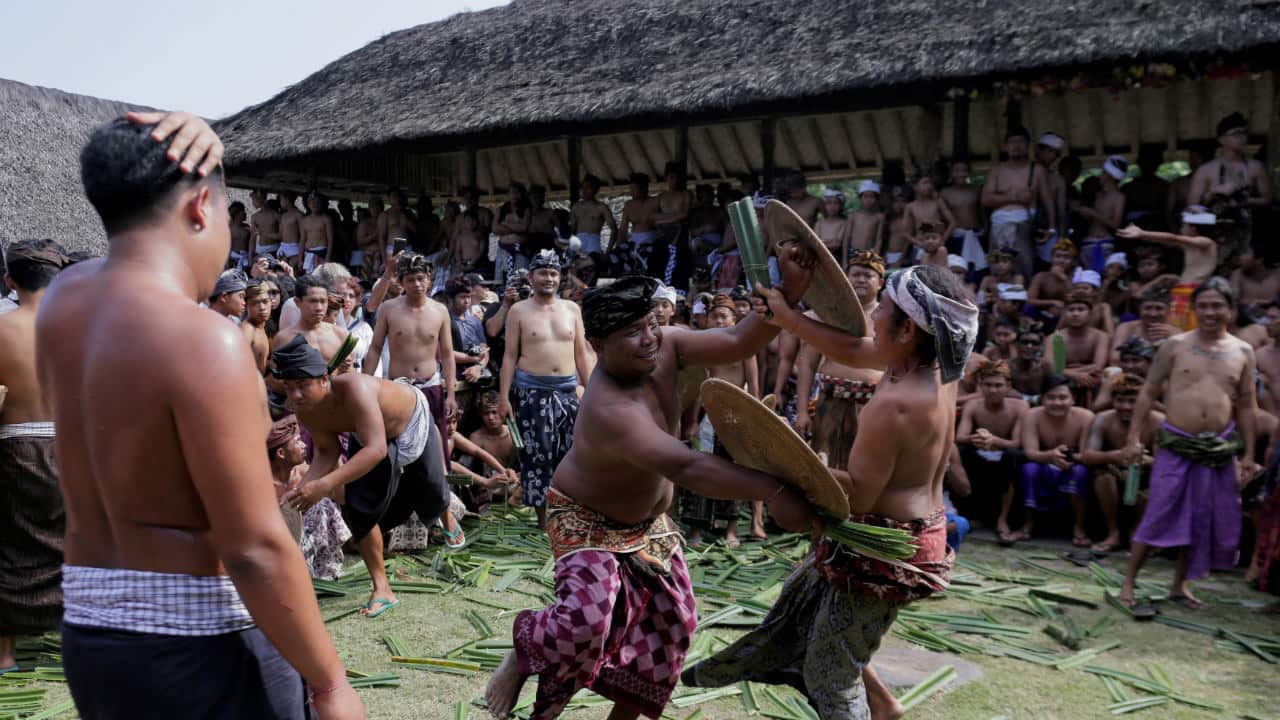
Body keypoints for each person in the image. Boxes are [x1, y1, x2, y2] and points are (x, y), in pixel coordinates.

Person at [42, 112, 362, 718]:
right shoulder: (204, 341)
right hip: (201, 641)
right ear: (198, 208)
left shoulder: (63, 302)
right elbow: (254, 546)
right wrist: (328, 681)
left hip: (92, 633)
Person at [483, 270, 820, 720]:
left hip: (648, 523)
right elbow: (686, 464)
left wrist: (785, 298)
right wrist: (774, 488)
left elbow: (739, 341)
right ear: (598, 345)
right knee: (586, 622)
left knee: (675, 624)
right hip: (585, 517)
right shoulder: (609, 408)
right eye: (632, 333)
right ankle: (525, 641)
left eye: (651, 325)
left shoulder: (668, 344)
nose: (649, 339)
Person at [685, 264, 977, 720]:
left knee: (829, 674)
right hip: (903, 530)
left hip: (885, 546)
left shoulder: (897, 405)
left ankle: (869, 708)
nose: (873, 315)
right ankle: (885, 707)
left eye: (883, 309)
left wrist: (782, 456)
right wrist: (786, 317)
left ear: (906, 330)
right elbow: (854, 349)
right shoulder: (931, 367)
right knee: (806, 608)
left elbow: (857, 496)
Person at [276, 336, 450, 618]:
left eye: (303, 386)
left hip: (411, 419)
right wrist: (302, 488)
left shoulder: (355, 387)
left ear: (323, 379)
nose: (295, 395)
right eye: (290, 388)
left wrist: (325, 484)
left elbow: (377, 449)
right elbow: (327, 450)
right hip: (370, 436)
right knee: (360, 508)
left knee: (433, 491)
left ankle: (448, 517)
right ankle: (382, 588)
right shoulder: (305, 408)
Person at [1119, 278, 1259, 611]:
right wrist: (1133, 437)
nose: (1211, 312)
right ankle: (1128, 582)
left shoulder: (1243, 351)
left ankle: (1179, 586)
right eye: (1205, 305)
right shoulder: (1175, 345)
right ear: (1195, 310)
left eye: (1218, 305)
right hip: (1176, 443)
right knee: (1159, 511)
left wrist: (1250, 454)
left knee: (1199, 517)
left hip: (1218, 448)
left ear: (1231, 310)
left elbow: (1246, 404)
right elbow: (1148, 392)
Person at [0, 240, 68, 675]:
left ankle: (3, 652)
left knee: (7, 545)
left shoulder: (2, 329)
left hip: (16, 445)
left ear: (10, 280)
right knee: (74, 545)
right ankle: (75, 639)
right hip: (73, 446)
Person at [498, 250, 593, 528]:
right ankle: (543, 519)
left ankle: (569, 514)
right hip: (532, 392)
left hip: (568, 391)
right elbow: (509, 356)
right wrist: (504, 397)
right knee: (537, 455)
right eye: (543, 273)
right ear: (532, 276)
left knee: (571, 454)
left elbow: (581, 354)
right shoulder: (519, 310)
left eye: (553, 273)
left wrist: (590, 389)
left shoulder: (572, 309)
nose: (548, 278)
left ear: (560, 277)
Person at [795, 251, 885, 472]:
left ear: (880, 283)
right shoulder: (829, 316)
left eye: (868, 275)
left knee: (862, 469)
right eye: (856, 274)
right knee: (823, 468)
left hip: (871, 406)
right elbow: (807, 365)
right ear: (846, 278)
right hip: (829, 400)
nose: (861, 279)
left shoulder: (888, 317)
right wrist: (802, 411)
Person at [1080, 374, 1163, 553]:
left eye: (1133, 401)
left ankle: (1138, 532)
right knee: (1103, 476)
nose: (1126, 407)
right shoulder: (1102, 419)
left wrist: (1148, 461)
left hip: (1144, 473)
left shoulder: (1158, 421)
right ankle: (1113, 533)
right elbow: (1087, 455)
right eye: (1120, 400)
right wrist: (1115, 456)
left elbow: (1165, 463)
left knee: (1157, 479)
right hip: (1114, 470)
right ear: (1113, 400)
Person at [266, 415, 351, 580]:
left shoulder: (306, 473)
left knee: (324, 505)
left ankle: (324, 570)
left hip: (309, 544)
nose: (304, 445)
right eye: (298, 442)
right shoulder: (263, 484)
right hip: (278, 548)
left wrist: (335, 459)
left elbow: (341, 498)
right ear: (281, 453)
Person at [956, 358, 1028, 541]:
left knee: (1015, 456)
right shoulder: (973, 405)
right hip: (980, 451)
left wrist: (994, 440)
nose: (993, 390)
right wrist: (978, 438)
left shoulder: (1020, 406)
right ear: (980, 385)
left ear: (1008, 386)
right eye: (988, 385)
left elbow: (1019, 443)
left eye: (998, 385)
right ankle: (966, 513)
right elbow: (960, 437)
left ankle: (1003, 519)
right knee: (960, 451)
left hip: (1005, 454)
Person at [1116, 207, 1224, 331]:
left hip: (1193, 292)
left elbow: (1173, 238)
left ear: (1193, 228)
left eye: (1184, 225)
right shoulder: (1190, 245)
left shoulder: (1206, 242)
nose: (1181, 229)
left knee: (1187, 331)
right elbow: (1166, 239)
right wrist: (1142, 236)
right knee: (1175, 330)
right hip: (1182, 292)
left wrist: (1142, 233)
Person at [1018, 376, 1094, 544]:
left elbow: (1087, 455)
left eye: (1062, 397)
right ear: (1042, 399)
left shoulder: (1086, 417)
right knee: (1028, 469)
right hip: (1042, 462)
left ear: (1073, 399)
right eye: (1051, 397)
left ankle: (1079, 526)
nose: (1057, 402)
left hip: (1073, 464)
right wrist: (1050, 456)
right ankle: (1028, 523)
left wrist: (1068, 458)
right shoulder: (1032, 415)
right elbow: (1030, 452)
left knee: (1081, 472)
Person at [982, 126, 1056, 280]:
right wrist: (1015, 197)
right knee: (997, 268)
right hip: (998, 225)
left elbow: (1048, 200)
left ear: (1027, 145)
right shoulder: (996, 171)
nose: (1016, 145)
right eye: (1012, 142)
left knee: (1024, 268)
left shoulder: (1037, 170)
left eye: (1020, 141)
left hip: (1024, 223)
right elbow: (986, 200)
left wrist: (1052, 228)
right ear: (1006, 146)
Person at [275, 274, 349, 361]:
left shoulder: (339, 335)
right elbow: (276, 373)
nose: (319, 308)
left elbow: (350, 371)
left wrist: (346, 367)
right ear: (297, 302)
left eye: (323, 301)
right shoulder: (285, 339)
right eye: (312, 301)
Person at [1053, 289, 1110, 402]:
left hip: (1091, 378)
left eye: (1080, 309)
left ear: (1090, 314)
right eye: (1071, 310)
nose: (1075, 314)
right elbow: (1053, 368)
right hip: (1063, 379)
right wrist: (1075, 375)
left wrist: (1070, 371)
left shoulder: (1100, 336)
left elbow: (1098, 366)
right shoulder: (1056, 338)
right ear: (1064, 314)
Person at [1074, 155, 1128, 273]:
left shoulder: (1119, 197)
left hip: (1104, 244)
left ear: (1111, 176)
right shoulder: (1098, 195)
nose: (1100, 175)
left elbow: (1116, 225)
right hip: (1088, 242)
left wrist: (1093, 214)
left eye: (1104, 172)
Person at [941, 158, 987, 273]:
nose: (961, 174)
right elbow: (943, 218)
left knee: (978, 269)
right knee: (958, 267)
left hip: (977, 234)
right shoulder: (945, 192)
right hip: (957, 236)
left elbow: (982, 212)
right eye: (957, 170)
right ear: (951, 173)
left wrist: (986, 229)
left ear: (969, 172)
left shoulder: (976, 190)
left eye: (964, 170)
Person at [1110, 288, 1176, 364]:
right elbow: (1114, 358)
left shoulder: (1176, 333)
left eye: (1159, 308)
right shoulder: (1127, 328)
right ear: (1140, 309)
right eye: (1148, 308)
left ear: (1168, 311)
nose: (1152, 314)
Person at [905, 173, 956, 263]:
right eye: (925, 183)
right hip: (920, 246)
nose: (929, 186)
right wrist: (920, 244)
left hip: (938, 246)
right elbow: (906, 233)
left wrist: (942, 240)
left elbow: (953, 222)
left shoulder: (937, 202)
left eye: (930, 183)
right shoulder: (910, 207)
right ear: (915, 187)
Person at [619, 173, 660, 274]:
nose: (631, 192)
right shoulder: (628, 205)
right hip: (633, 242)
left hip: (651, 242)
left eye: (634, 189)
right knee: (616, 255)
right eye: (630, 188)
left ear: (643, 188)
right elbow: (623, 229)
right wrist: (619, 245)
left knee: (645, 257)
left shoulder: (655, 202)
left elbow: (662, 226)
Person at [570, 174, 617, 259]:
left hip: (594, 245)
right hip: (578, 245)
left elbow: (614, 229)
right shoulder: (575, 207)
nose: (584, 190)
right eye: (582, 187)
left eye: (588, 188)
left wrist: (608, 252)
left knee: (593, 268)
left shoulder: (602, 207)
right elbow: (572, 231)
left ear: (595, 190)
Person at [1035, 133, 1069, 239]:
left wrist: (1062, 237)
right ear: (1039, 150)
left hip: (1049, 231)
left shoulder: (1058, 180)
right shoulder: (1024, 173)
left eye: (1057, 153)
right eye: (1050, 151)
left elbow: (1062, 212)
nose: (1053, 156)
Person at [242, 280, 274, 374]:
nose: (262, 307)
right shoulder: (247, 330)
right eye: (255, 303)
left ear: (271, 302)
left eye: (265, 301)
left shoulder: (261, 326)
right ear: (246, 306)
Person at [300, 193, 334, 273]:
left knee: (320, 278)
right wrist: (300, 259)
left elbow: (330, 240)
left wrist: (327, 258)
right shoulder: (304, 221)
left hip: (321, 252)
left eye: (317, 202)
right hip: (308, 253)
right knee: (309, 279)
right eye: (312, 202)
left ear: (321, 204)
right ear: (308, 204)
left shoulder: (326, 220)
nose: (314, 205)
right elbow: (302, 240)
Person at [846, 180, 883, 254]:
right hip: (854, 252)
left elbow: (879, 239)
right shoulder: (853, 216)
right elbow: (847, 239)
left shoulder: (879, 217)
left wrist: (875, 256)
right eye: (865, 196)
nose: (868, 200)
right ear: (860, 199)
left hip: (870, 253)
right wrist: (844, 260)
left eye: (871, 197)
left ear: (876, 199)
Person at [815, 189, 849, 265]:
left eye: (836, 203)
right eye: (829, 203)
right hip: (820, 259)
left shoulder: (844, 223)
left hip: (836, 259)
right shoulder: (819, 223)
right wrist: (829, 242)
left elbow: (837, 244)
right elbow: (815, 243)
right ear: (825, 205)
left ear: (841, 205)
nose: (832, 206)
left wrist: (822, 242)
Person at [250, 189, 282, 259]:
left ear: (260, 198)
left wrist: (264, 234)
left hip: (274, 249)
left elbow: (282, 236)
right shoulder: (254, 217)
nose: (252, 203)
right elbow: (253, 238)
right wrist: (250, 256)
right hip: (259, 250)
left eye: (254, 199)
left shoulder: (276, 215)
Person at [279, 191, 304, 271]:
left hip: (295, 249)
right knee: (282, 274)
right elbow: (280, 235)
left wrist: (300, 258)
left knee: (293, 274)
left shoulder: (299, 215)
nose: (280, 202)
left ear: (287, 200)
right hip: (283, 248)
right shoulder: (283, 216)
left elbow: (303, 236)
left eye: (281, 199)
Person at [228, 200, 252, 269]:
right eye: (243, 211)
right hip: (232, 259)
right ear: (237, 214)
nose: (245, 213)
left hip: (245, 259)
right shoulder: (229, 228)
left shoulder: (247, 228)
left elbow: (250, 246)